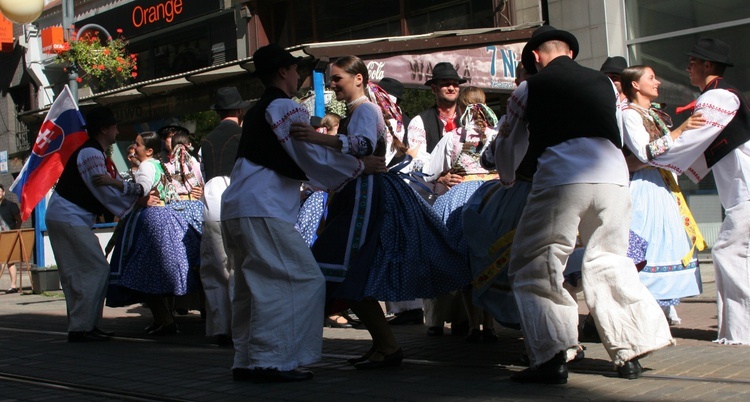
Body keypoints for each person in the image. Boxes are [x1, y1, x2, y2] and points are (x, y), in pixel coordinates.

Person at [496, 25, 673, 384]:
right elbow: (619, 130)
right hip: (614, 176)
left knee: (536, 263)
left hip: (562, 177)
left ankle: (551, 356)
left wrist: (506, 175)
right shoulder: (606, 84)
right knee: (610, 259)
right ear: (571, 53)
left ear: (534, 56)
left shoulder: (528, 88)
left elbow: (509, 140)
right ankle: (630, 352)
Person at [290, 55, 469, 370]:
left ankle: (386, 345)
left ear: (358, 78)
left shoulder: (366, 110)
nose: (333, 86)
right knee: (353, 272)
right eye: (331, 80)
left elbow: (362, 145)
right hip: (361, 194)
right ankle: (384, 344)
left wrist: (316, 137)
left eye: (337, 79)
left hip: (366, 197)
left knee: (349, 269)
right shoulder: (361, 110)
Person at [221, 44, 367, 383]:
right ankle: (272, 360)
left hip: (239, 207)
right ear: (283, 72)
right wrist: (359, 165)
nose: (299, 74)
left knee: (249, 287)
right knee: (297, 280)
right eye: (295, 69)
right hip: (263, 207)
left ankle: (246, 358)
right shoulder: (284, 106)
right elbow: (307, 154)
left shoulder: (259, 109)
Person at [644, 38, 750, 345]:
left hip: (746, 191)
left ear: (707, 65)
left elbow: (695, 137)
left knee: (728, 251)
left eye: (692, 63)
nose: (688, 68)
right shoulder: (720, 96)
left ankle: (740, 333)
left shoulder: (718, 97)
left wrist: (654, 156)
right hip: (741, 191)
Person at [45, 106, 144, 342]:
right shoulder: (90, 154)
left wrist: (127, 193)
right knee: (95, 269)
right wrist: (133, 199)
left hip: (68, 216)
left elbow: (108, 186)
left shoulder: (95, 153)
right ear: (103, 129)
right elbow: (104, 190)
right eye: (114, 126)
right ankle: (82, 328)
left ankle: (85, 326)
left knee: (82, 271)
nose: (117, 131)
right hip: (68, 216)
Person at [621, 65, 707, 325]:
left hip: (661, 184)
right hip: (641, 187)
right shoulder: (628, 114)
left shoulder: (652, 114)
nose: (657, 82)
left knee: (665, 240)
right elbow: (644, 152)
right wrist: (680, 131)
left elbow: (661, 153)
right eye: (650, 78)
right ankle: (639, 309)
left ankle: (659, 309)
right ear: (635, 85)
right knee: (644, 241)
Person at [97, 131, 201, 336]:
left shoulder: (146, 165)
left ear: (149, 150)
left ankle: (166, 320)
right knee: (153, 274)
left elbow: (141, 188)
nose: (134, 148)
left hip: (151, 221)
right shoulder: (158, 164)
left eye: (137, 145)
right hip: (164, 219)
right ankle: (164, 319)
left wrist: (113, 183)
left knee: (141, 272)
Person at [407, 62, 469, 336]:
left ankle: (464, 317)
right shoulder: (420, 122)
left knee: (465, 253)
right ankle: (434, 318)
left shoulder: (471, 118)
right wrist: (437, 179)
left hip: (468, 196)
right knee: (435, 255)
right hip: (435, 198)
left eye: (454, 83)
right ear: (433, 88)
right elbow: (415, 161)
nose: (451, 87)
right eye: (445, 83)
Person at [199, 87, 250, 346]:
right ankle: (240, 328)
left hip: (211, 201)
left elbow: (202, 174)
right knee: (237, 268)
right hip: (237, 197)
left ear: (218, 112)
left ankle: (220, 329)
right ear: (239, 111)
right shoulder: (245, 136)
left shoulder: (206, 141)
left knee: (215, 268)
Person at [0, 184, 22, 294]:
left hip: (9, 236)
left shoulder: (10, 205)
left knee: (10, 261)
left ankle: (13, 286)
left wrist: (15, 232)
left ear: (3, 192)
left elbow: (19, 219)